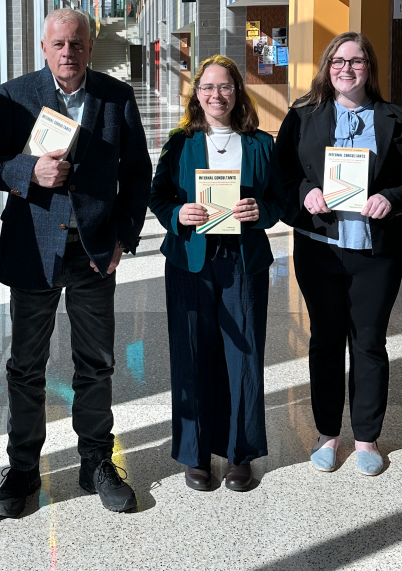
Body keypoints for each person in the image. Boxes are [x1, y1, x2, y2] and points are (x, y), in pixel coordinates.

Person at [0, 8, 152, 516]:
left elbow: (137, 173)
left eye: (77, 43)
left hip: (94, 249)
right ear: (44, 47)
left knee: (96, 364)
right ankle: (24, 469)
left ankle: (96, 460)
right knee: (26, 366)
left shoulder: (115, 97)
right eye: (59, 44)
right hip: (34, 247)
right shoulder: (15, 95)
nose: (68, 52)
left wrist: (125, 236)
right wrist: (31, 170)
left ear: (90, 48)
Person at [275, 32, 402, 476]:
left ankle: (366, 439)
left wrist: (392, 199)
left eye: (357, 61)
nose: (347, 68)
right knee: (325, 340)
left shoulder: (398, 119)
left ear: (370, 68)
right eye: (338, 61)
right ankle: (327, 435)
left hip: (375, 252)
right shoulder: (303, 117)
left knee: (368, 343)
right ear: (327, 67)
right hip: (321, 249)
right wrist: (306, 192)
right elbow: (281, 176)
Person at [149, 55, 286, 492]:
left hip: (242, 261)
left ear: (237, 92)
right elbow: (158, 197)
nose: (216, 95)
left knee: (243, 356)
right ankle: (195, 454)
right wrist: (178, 214)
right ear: (197, 95)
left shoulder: (262, 143)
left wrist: (261, 211)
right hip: (190, 261)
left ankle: (240, 453)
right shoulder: (179, 143)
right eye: (207, 87)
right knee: (191, 354)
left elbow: (281, 201)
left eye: (224, 87)